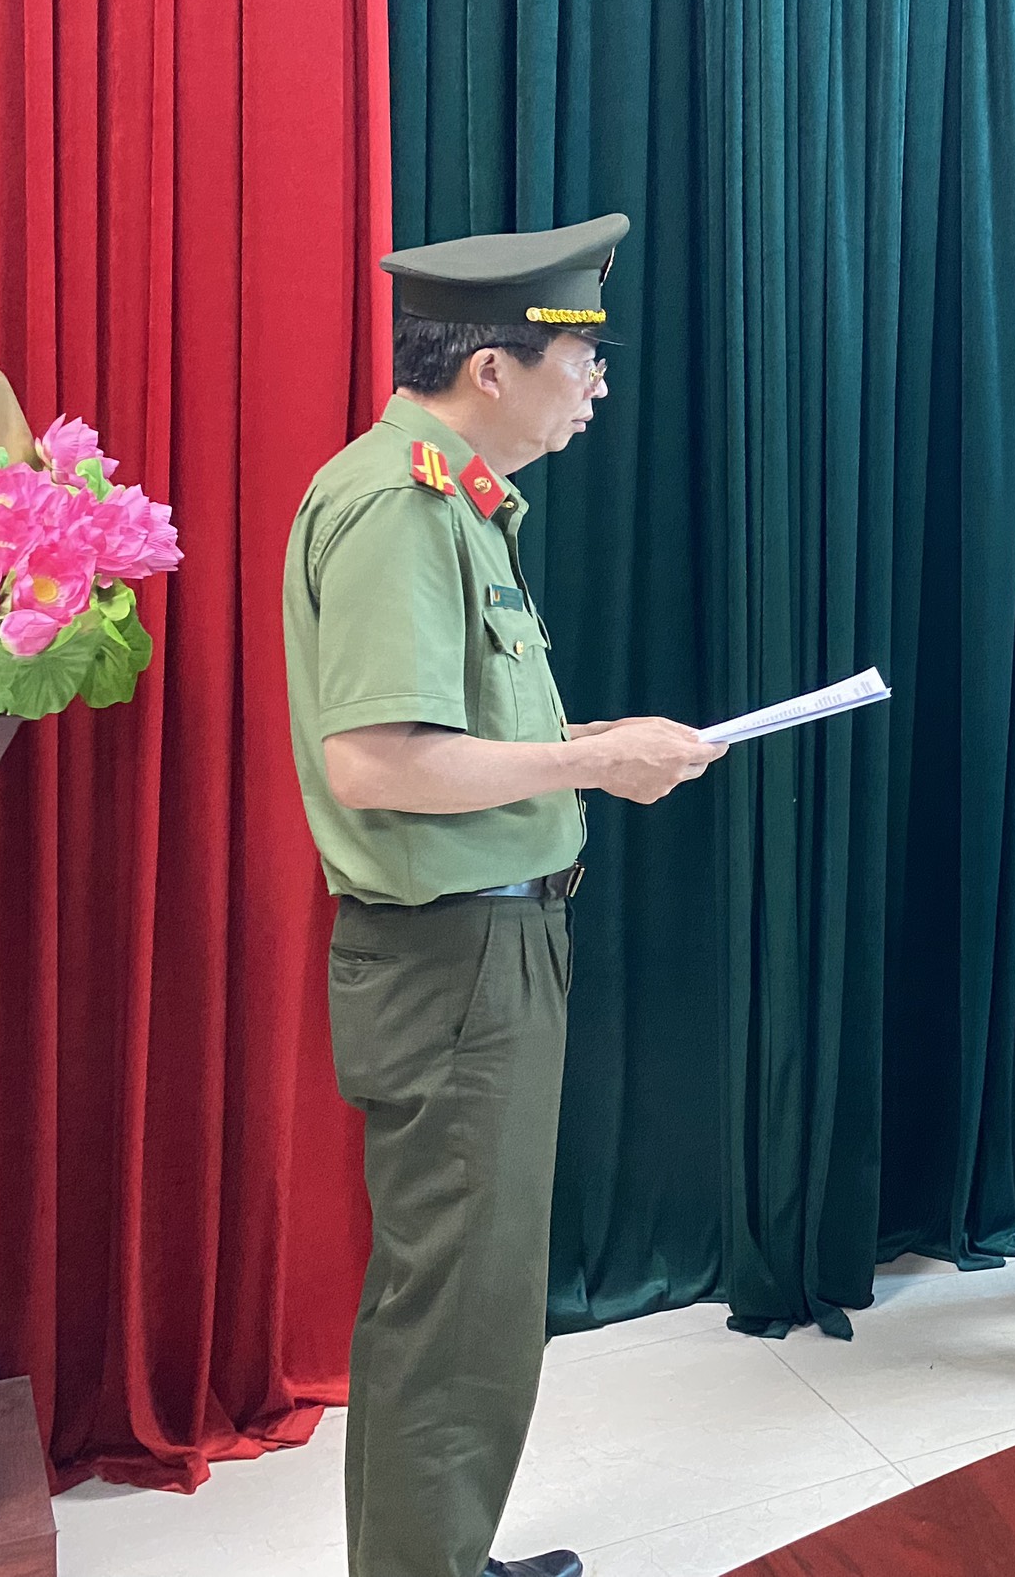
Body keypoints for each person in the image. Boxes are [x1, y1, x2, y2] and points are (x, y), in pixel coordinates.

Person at [282, 215, 726, 1577]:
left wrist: (593, 744)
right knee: (456, 1300)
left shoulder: (450, 501)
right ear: (492, 367)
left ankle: (435, 1553)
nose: (597, 385)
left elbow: (455, 738)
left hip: (486, 942)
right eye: (581, 359)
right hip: (454, 957)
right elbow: (376, 763)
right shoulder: (401, 506)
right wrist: (594, 761)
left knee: (464, 1291)